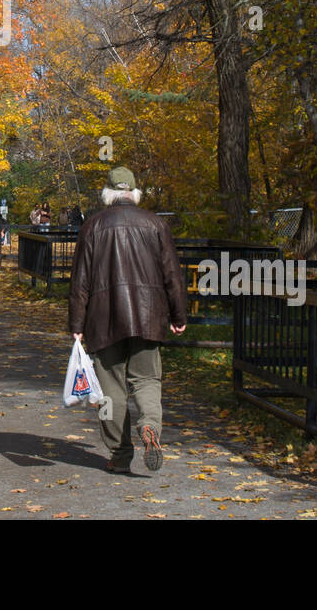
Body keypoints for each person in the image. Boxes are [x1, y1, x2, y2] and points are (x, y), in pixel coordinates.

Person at [68, 166, 188, 474]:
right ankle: (150, 427)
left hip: (105, 319)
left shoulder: (93, 226)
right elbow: (172, 275)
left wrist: (77, 326)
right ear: (134, 192)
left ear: (107, 193)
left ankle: (120, 455)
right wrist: (178, 315)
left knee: (111, 390)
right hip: (149, 317)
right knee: (147, 380)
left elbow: (80, 281)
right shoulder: (156, 224)